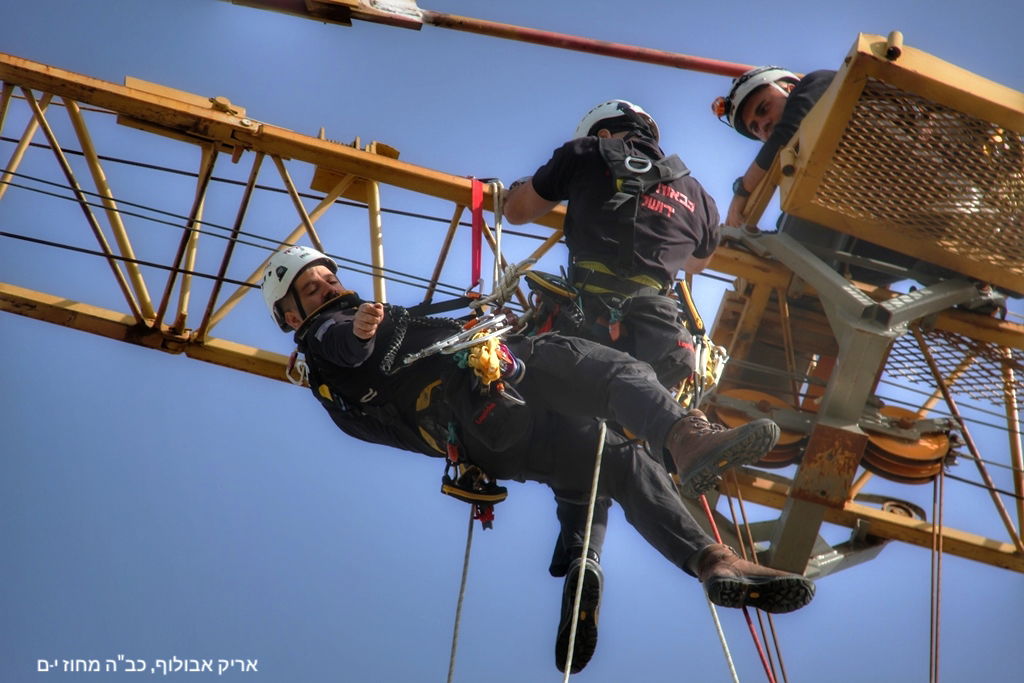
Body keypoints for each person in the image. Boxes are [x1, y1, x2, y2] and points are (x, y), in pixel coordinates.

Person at [260, 245, 815, 673]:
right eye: (310, 289)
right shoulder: (330, 336)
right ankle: (687, 438)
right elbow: (343, 344)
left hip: (489, 438)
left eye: (328, 278)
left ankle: (696, 562)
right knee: (614, 373)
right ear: (290, 317)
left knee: (613, 458)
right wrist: (359, 332)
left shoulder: (336, 394)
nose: (328, 287)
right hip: (488, 385)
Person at [503, 99, 742, 670]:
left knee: (579, 426)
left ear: (606, 132)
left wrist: (515, 191)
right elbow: (699, 262)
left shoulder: (587, 152)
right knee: (621, 440)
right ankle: (594, 546)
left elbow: (518, 210)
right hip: (663, 335)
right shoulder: (698, 193)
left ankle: (583, 550)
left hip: (588, 317)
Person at [713, 66, 957, 288]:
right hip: (917, 228)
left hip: (940, 188)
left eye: (764, 109)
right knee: (810, 255)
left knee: (799, 231)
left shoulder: (820, 84)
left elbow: (787, 131)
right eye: (755, 128)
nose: (763, 126)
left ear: (790, 89)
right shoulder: (823, 169)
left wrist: (741, 194)